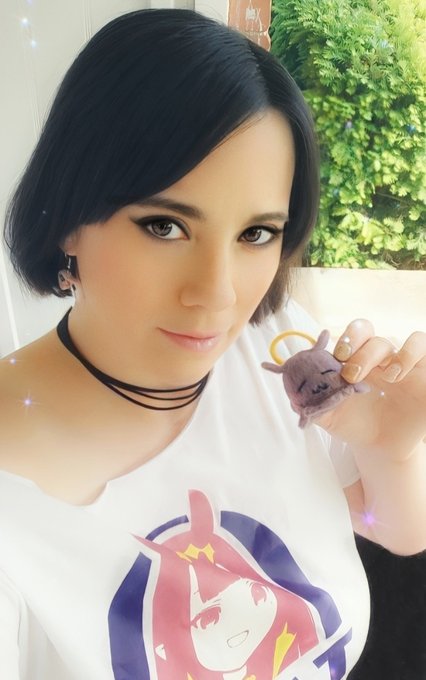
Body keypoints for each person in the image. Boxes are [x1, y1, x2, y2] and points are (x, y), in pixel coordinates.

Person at [0, 8, 424, 680]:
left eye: (256, 234)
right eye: (165, 226)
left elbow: (395, 530)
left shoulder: (275, 355)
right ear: (68, 218)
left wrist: (389, 447)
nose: (219, 294)